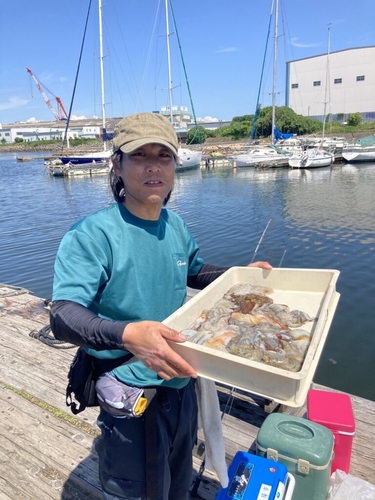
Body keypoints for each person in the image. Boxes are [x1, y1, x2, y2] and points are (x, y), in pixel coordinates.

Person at [50, 112, 272, 500]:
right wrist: (128, 334)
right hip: (129, 389)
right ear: (117, 163)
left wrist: (238, 276)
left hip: (182, 382)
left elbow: (195, 271)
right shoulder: (92, 235)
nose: (154, 166)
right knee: (138, 491)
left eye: (164, 155)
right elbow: (63, 316)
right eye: (140, 156)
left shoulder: (175, 225)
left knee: (178, 479)